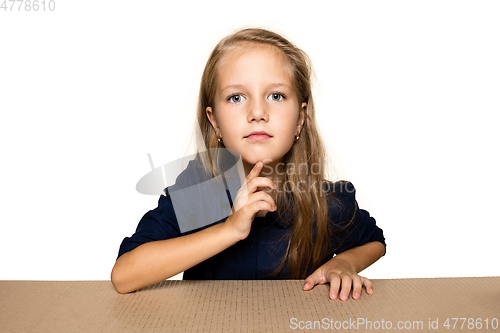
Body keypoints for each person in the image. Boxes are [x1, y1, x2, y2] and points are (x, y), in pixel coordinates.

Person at [111, 28, 386, 300]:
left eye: (276, 96)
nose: (257, 113)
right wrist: (230, 229)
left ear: (300, 120)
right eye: (236, 97)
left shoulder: (324, 200)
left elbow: (374, 241)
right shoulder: (200, 188)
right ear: (214, 121)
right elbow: (124, 275)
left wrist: (344, 263)